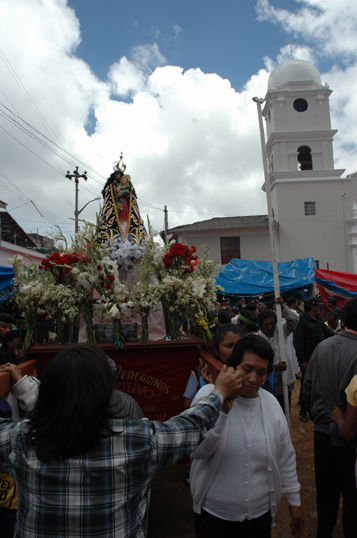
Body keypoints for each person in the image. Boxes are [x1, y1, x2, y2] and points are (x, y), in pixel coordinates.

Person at [0, 344, 242, 537]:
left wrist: (20, 382)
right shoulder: (135, 441)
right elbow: (189, 426)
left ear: (49, 392)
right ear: (106, 395)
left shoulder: (22, 438)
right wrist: (218, 393)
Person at [190, 334, 304, 538]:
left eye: (261, 372)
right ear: (233, 366)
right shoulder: (208, 397)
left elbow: (285, 456)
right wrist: (223, 410)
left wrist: (295, 501)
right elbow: (199, 451)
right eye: (247, 369)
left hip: (259, 520)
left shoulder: (271, 405)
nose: (253, 379)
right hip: (214, 518)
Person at [302, 296, 357, 538]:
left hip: (322, 434)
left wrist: (319, 416)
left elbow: (308, 387)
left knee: (326, 498)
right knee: (353, 502)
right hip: (351, 440)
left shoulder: (322, 347)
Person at [293, 296, 333, 421]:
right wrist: (302, 360)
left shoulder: (318, 319)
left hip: (321, 358)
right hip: (308, 360)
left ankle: (315, 408)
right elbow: (298, 343)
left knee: (320, 385)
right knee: (307, 385)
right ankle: (303, 411)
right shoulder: (302, 321)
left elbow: (327, 332)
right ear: (312, 307)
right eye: (317, 306)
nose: (319, 308)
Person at [258, 298, 300, 414]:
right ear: (261, 326)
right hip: (267, 384)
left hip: (285, 380)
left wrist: (283, 309)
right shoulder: (258, 339)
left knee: (285, 409)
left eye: (272, 324)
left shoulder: (281, 330)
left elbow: (295, 320)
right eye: (266, 325)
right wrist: (274, 367)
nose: (270, 327)